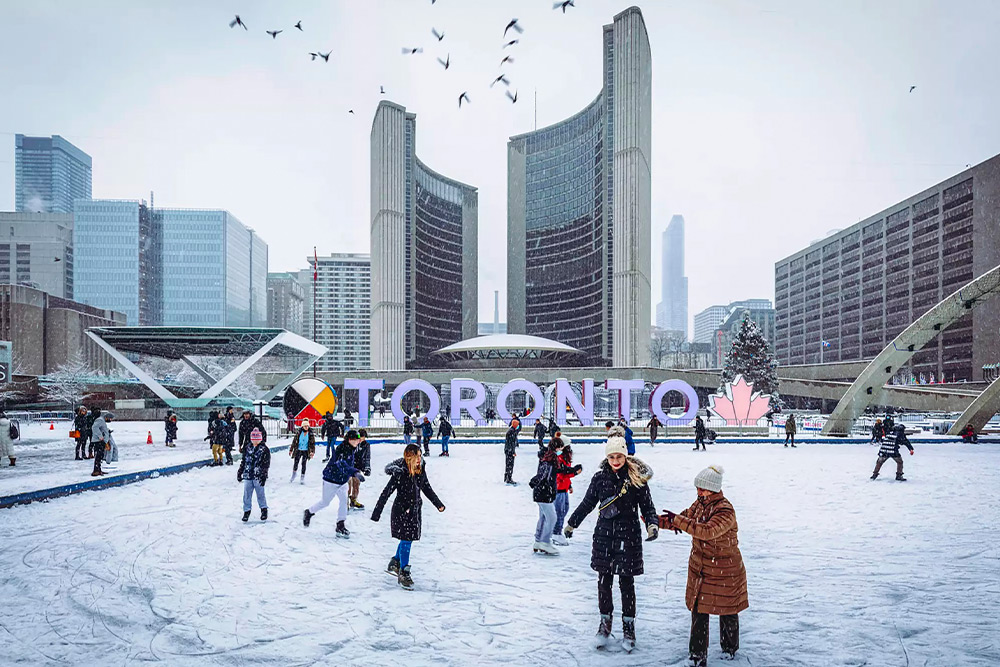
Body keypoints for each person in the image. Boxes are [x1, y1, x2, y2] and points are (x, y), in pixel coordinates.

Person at [564, 427, 658, 653]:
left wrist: (652, 524)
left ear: (625, 456)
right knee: (604, 582)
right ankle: (605, 624)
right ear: (607, 457)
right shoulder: (600, 479)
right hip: (604, 537)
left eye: (619, 456)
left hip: (629, 537)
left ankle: (628, 627)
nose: (615, 461)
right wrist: (572, 523)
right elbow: (588, 503)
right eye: (611, 457)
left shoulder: (636, 479)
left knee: (626, 583)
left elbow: (647, 507)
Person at [659, 465, 748, 666]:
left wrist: (678, 520)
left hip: (725, 570)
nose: (698, 491)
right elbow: (685, 519)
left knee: (728, 609)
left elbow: (706, 531)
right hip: (701, 569)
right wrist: (658, 521)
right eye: (697, 487)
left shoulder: (725, 510)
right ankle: (697, 656)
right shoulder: (700, 503)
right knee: (699, 610)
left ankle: (730, 650)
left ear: (714, 488)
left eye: (702, 488)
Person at [371, 444, 446, 590]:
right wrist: (376, 513)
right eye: (416, 456)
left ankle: (395, 561)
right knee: (406, 540)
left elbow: (427, 488)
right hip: (401, 511)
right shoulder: (400, 473)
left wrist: (438, 504)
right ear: (408, 457)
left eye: (420, 456)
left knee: (408, 539)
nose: (419, 459)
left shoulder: (420, 469)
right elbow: (386, 493)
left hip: (415, 511)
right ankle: (404, 571)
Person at [304, 430, 365, 538]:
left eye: (358, 440)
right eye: (356, 440)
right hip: (331, 480)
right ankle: (309, 512)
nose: (358, 442)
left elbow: (353, 462)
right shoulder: (341, 449)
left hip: (342, 481)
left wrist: (364, 468)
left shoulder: (352, 448)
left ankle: (340, 524)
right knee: (325, 502)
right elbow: (341, 464)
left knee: (343, 501)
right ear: (350, 440)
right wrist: (354, 472)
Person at [530, 437, 582, 555]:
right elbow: (546, 474)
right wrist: (534, 481)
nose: (561, 450)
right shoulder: (550, 459)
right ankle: (544, 542)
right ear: (557, 447)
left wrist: (573, 471)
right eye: (560, 448)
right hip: (544, 494)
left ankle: (539, 541)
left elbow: (561, 469)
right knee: (552, 517)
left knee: (547, 517)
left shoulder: (550, 458)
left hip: (544, 493)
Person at [237, 425, 271, 522]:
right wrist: (240, 471)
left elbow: (266, 464)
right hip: (248, 475)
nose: (255, 442)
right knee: (247, 494)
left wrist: (264, 475)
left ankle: (264, 510)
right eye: (253, 439)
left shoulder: (264, 449)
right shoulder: (248, 448)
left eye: (257, 440)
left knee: (260, 494)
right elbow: (244, 461)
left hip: (258, 475)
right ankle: (246, 511)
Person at [552, 442, 580, 546]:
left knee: (565, 509)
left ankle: (554, 529)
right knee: (559, 511)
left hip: (564, 488)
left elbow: (565, 473)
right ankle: (556, 532)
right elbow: (561, 474)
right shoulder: (559, 459)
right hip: (559, 489)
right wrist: (574, 473)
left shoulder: (565, 459)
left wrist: (569, 485)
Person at [347, 428, 372, 509]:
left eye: (362, 437)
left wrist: (367, 467)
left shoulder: (366, 445)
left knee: (356, 485)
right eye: (359, 437)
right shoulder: (352, 443)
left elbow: (367, 457)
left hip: (358, 467)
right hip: (350, 467)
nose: (361, 439)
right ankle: (345, 502)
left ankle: (353, 500)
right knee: (348, 485)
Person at [289, 419, 316, 484]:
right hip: (298, 450)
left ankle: (302, 477)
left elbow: (312, 444)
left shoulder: (310, 434)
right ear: (302, 426)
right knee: (296, 463)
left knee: (304, 464)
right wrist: (291, 449)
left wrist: (312, 452)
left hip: (306, 451)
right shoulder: (299, 433)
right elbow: (294, 441)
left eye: (307, 426)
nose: (306, 427)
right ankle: (294, 474)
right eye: (305, 426)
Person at [90, 411, 113, 476]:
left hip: (101, 441)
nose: (110, 420)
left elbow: (102, 429)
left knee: (100, 456)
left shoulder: (102, 421)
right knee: (98, 456)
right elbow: (94, 427)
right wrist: (100, 436)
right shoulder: (100, 420)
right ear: (107, 417)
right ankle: (96, 470)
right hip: (98, 441)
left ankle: (98, 470)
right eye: (110, 418)